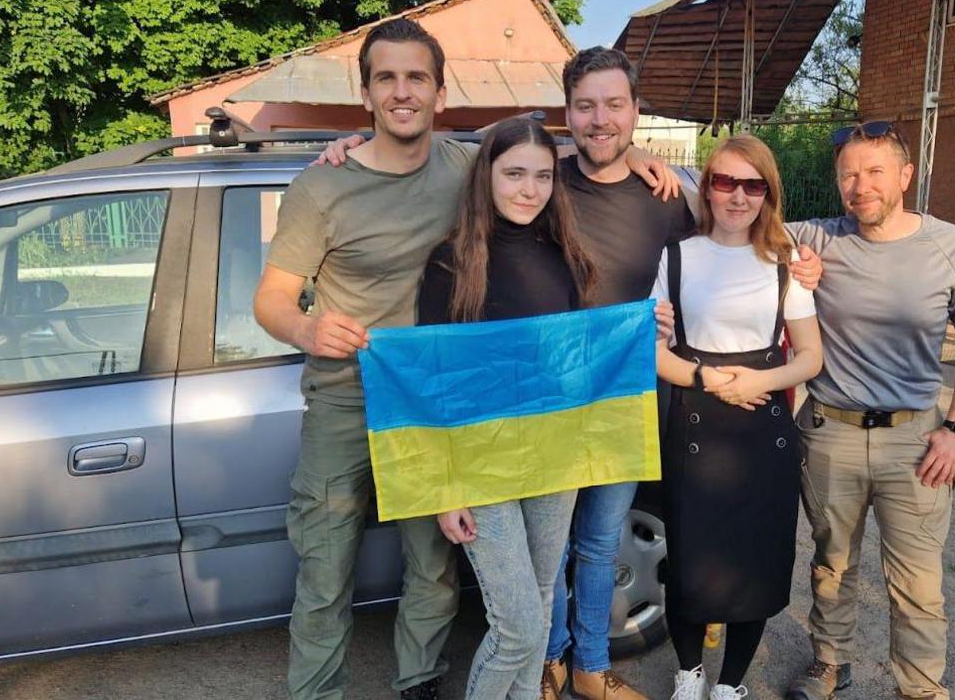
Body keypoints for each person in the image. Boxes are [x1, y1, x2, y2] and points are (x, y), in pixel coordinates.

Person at [317, 46, 824, 700]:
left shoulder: (667, 195)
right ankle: (545, 663)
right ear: (567, 115)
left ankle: (589, 667)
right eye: (586, 106)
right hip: (527, 415)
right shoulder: (543, 178)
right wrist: (352, 143)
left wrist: (799, 260)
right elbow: (430, 154)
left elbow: (742, 222)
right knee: (540, 568)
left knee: (598, 542)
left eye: (615, 104)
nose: (601, 119)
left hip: (621, 401)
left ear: (636, 111)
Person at [257, 20, 673, 700]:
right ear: (365, 92)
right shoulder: (326, 186)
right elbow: (272, 299)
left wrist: (643, 172)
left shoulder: (466, 166)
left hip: (481, 418)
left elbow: (553, 174)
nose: (402, 92)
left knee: (436, 571)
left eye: (416, 78)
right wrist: (306, 330)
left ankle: (420, 683)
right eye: (386, 78)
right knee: (327, 571)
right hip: (356, 394)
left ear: (439, 92)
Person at [783, 122, 955, 700]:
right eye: (849, 174)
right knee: (832, 564)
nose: (861, 186)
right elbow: (732, 212)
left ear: (906, 175)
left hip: (916, 440)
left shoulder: (950, 245)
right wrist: (648, 167)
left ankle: (921, 688)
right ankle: (829, 664)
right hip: (832, 432)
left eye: (875, 171)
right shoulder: (816, 239)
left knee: (918, 581)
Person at [418, 116, 596, 699]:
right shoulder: (449, 264)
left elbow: (576, 360)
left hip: (553, 456)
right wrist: (447, 487)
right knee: (517, 626)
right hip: (480, 463)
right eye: (514, 173)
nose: (529, 189)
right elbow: (434, 384)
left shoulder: (565, 257)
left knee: (542, 604)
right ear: (486, 177)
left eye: (543, 176)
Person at [651, 135, 822, 700]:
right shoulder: (676, 256)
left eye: (753, 185)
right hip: (695, 415)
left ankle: (730, 684)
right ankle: (688, 674)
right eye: (725, 181)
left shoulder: (785, 264)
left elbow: (810, 355)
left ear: (768, 193)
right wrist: (708, 380)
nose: (738, 196)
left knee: (756, 560)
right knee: (690, 560)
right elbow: (654, 352)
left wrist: (757, 382)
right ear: (708, 188)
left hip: (762, 426)